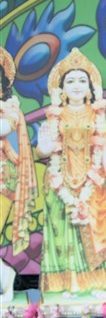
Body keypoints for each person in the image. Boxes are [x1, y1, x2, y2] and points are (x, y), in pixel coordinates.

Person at [27, 48, 106, 299]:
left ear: (90, 87)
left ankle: (95, 283)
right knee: (62, 234)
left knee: (94, 231)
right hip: (59, 182)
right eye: (70, 81)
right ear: (61, 88)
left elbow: (104, 145)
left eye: (82, 80)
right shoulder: (54, 115)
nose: (76, 85)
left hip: (92, 181)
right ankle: (67, 284)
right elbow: (42, 151)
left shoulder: (97, 114)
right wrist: (43, 147)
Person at [0, 48, 37, 270]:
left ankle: (7, 279)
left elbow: (4, 128)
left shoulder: (9, 108)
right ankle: (6, 279)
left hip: (3, 182)